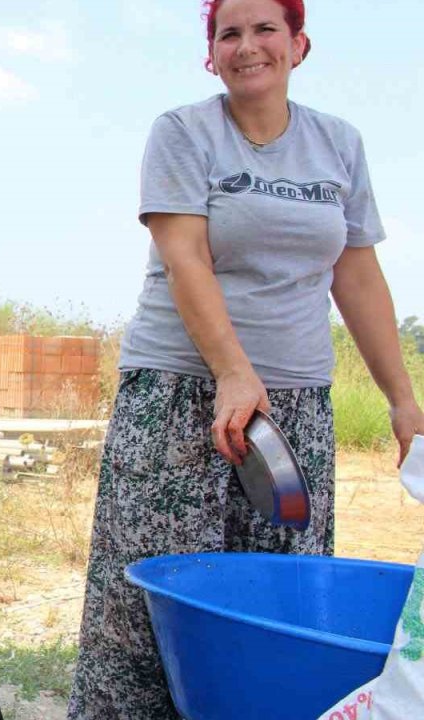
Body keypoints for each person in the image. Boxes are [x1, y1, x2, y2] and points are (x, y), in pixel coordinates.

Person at [67, 0, 424, 717]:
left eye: (265, 29)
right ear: (212, 54)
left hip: (295, 405)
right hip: (179, 394)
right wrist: (231, 370)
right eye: (228, 33)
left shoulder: (339, 145)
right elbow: (185, 258)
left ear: (298, 44)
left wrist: (402, 400)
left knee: (281, 595)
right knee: (154, 596)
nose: (247, 46)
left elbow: (356, 277)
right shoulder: (183, 132)